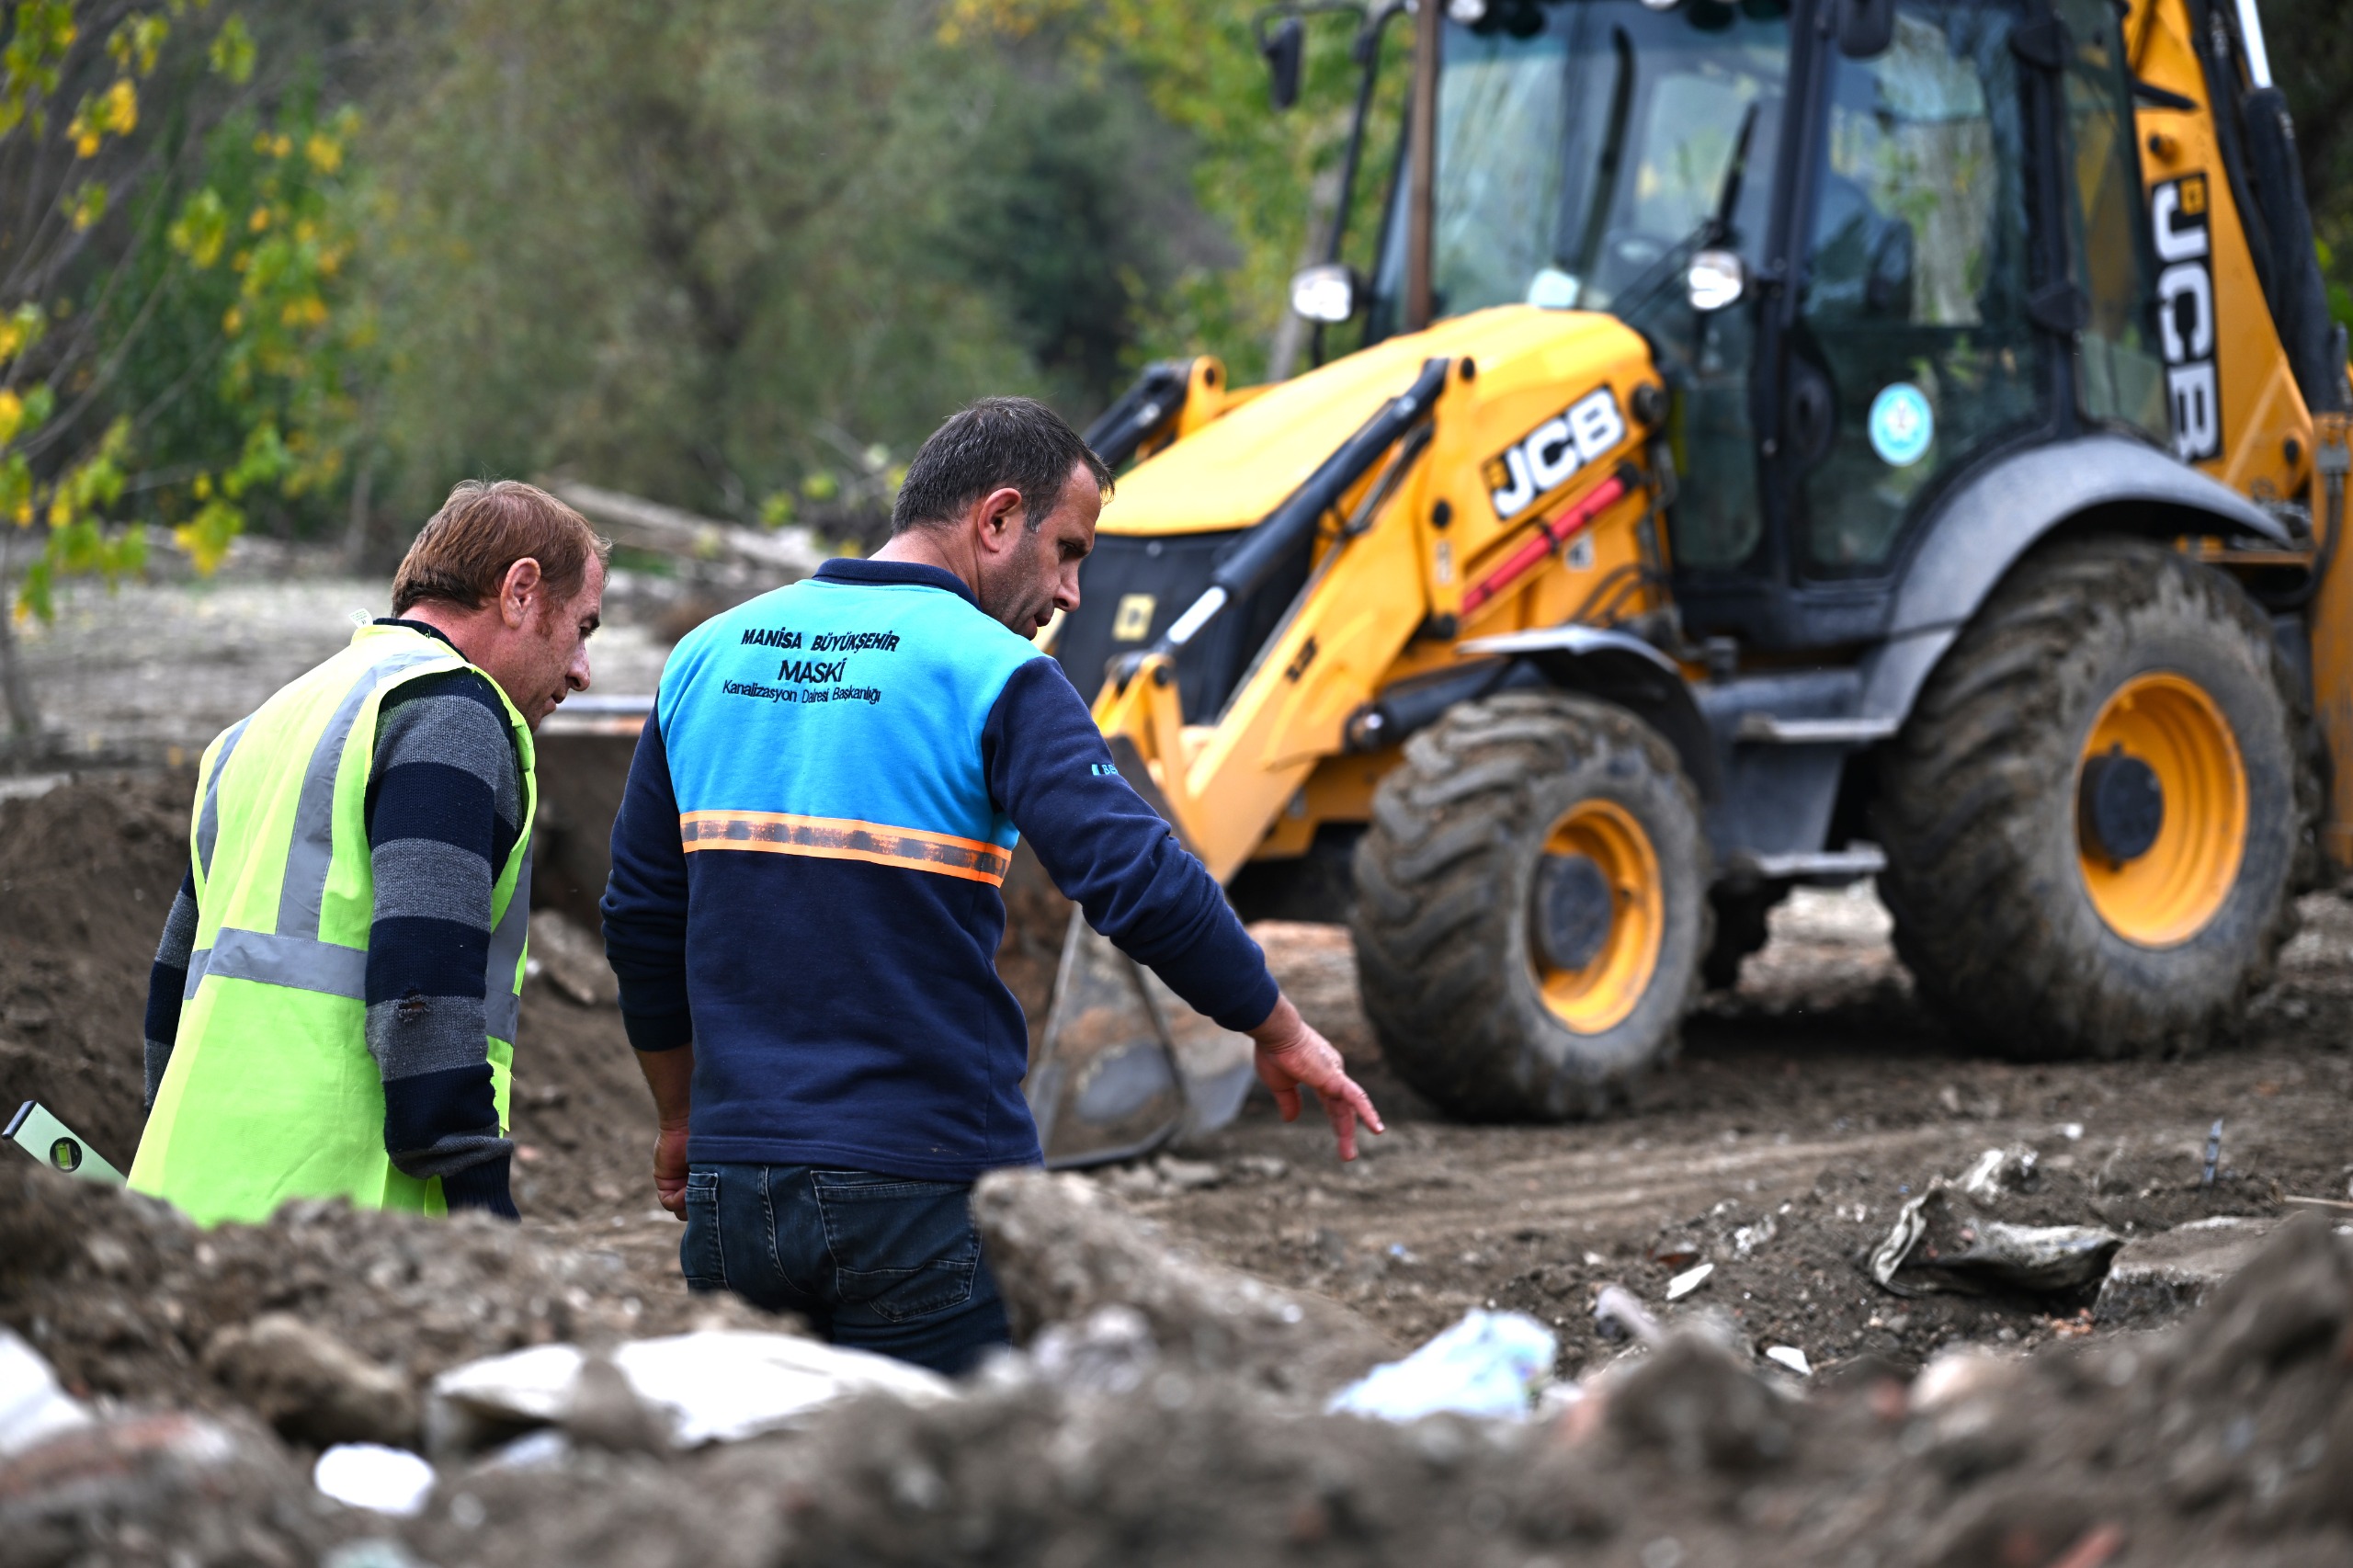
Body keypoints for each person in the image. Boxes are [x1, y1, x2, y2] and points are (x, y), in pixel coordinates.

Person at [601, 396, 1381, 1376]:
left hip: (733, 1190)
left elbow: (638, 915)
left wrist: (683, 1118)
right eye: (1068, 550)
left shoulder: (705, 658)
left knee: (778, 1493)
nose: (1072, 593)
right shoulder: (994, 673)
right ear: (997, 518)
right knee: (955, 1493)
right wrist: (1278, 1026)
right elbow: (1136, 876)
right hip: (924, 1185)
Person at [130, 480, 608, 1226]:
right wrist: (483, 1210)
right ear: (520, 591)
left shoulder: (259, 727)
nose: (582, 670)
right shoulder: (449, 712)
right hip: (332, 1214)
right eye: (582, 628)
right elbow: (422, 989)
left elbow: (172, 983)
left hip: (181, 1198)